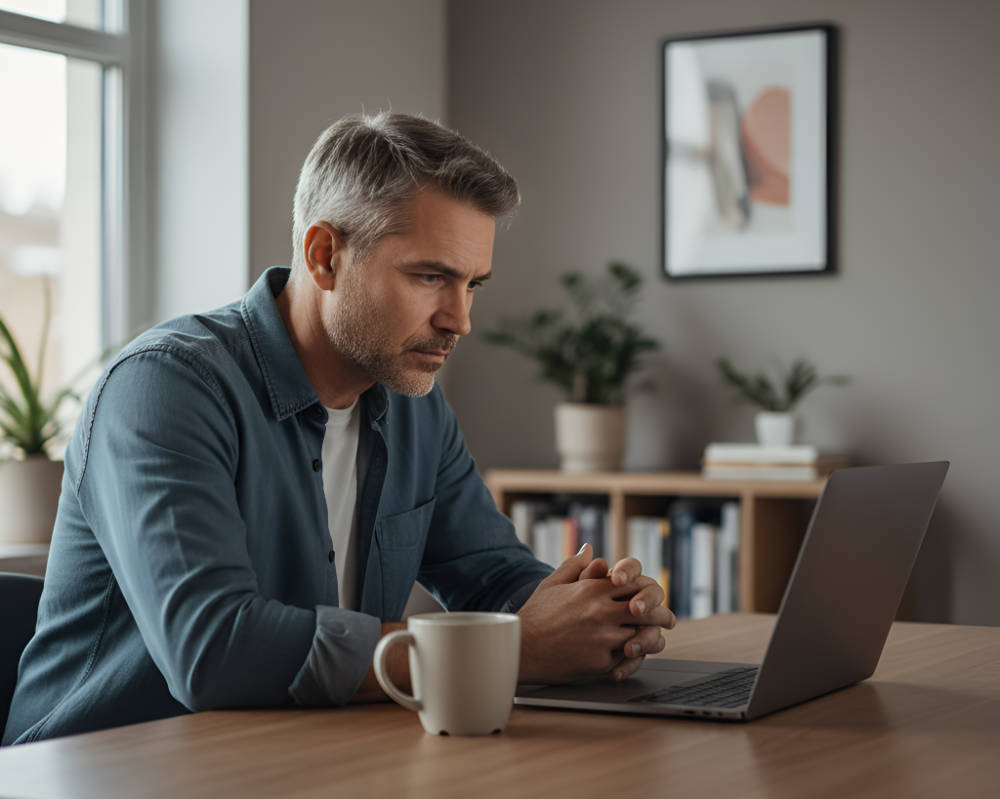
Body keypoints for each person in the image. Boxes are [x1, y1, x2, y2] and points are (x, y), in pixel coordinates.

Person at [3, 113, 674, 745]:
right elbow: (211, 647)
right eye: (431, 276)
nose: (459, 319)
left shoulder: (415, 404)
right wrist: (518, 646)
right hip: (100, 770)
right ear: (324, 255)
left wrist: (597, 613)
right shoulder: (166, 388)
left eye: (473, 285)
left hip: (298, 756)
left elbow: (493, 576)